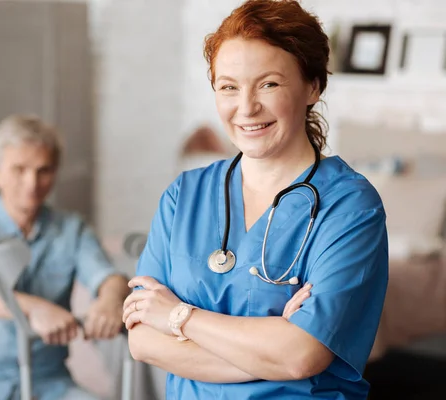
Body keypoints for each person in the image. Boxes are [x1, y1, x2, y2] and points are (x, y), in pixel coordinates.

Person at [122, 1, 388, 399]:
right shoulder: (185, 195)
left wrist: (178, 316)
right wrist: (273, 349)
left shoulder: (350, 206)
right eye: (228, 86)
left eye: (269, 84)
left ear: (313, 86)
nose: (246, 108)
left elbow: (300, 355)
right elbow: (143, 341)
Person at [0, 114, 130, 400]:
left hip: (49, 381)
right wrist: (36, 309)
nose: (32, 183)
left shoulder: (72, 229)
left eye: (44, 170)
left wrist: (109, 301)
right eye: (20, 169)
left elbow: (108, 276)